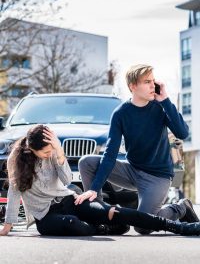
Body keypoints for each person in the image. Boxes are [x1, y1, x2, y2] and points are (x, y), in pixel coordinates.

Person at [0, 124, 200, 237]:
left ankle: (179, 227)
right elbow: (13, 191)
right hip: (45, 216)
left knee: (115, 211)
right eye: (45, 151)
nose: (49, 154)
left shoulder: (54, 153)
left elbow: (67, 180)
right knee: (75, 224)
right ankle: (104, 225)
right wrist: (7, 226)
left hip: (71, 200)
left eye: (51, 149)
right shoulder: (16, 160)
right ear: (31, 148)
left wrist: (60, 152)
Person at [77, 64, 199, 234]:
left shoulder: (161, 108)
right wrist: (93, 189)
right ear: (133, 86)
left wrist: (165, 101)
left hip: (158, 176)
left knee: (143, 226)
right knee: (86, 162)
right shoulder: (121, 113)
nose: (152, 85)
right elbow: (110, 153)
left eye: (153, 81)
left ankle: (181, 208)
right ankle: (100, 215)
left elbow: (183, 133)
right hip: (132, 171)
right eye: (147, 81)